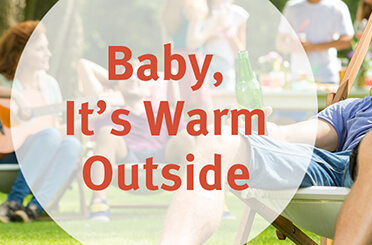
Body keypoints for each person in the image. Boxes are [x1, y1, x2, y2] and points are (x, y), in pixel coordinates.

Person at [159, 2, 372, 244]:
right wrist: (254, 126)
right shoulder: (356, 108)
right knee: (217, 140)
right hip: (337, 168)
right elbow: (286, 137)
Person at [76, 59, 196, 222]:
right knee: (107, 132)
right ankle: (99, 203)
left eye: (139, 75)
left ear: (149, 88)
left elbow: (187, 143)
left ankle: (199, 202)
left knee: (186, 137)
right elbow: (84, 64)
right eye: (127, 75)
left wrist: (125, 79)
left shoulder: (165, 111)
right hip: (123, 162)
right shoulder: (105, 107)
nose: (133, 78)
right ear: (116, 85)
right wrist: (116, 83)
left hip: (163, 161)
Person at [0, 21, 81, 223]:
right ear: (23, 52)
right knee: (50, 136)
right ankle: (15, 200)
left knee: (72, 143)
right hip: (8, 152)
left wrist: (89, 119)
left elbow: (56, 131)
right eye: (40, 49)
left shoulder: (50, 85)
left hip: (41, 153)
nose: (48, 54)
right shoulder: (5, 80)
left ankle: (34, 207)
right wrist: (16, 96)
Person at [275, 0, 354, 85]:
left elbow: (348, 40)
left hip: (327, 78)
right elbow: (279, 42)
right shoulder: (292, 7)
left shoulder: (337, 6)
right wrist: (292, 46)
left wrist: (314, 47)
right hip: (298, 79)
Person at [203, 0, 249, 91]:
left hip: (225, 68)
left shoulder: (238, 14)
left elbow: (240, 53)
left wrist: (228, 31)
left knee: (225, 103)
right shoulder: (202, 10)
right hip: (203, 66)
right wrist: (208, 36)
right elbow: (191, 43)